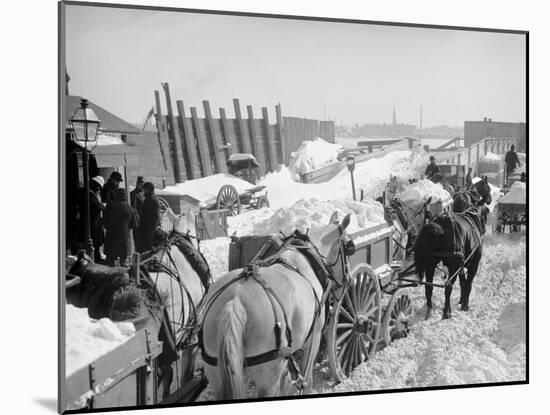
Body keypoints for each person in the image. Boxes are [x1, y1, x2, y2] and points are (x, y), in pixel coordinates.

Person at [103, 188, 136, 266]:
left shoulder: (111, 207)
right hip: (124, 238)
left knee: (110, 262)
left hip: (112, 237)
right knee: (124, 262)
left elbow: (105, 222)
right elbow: (133, 225)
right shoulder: (130, 209)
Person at [137, 182, 161, 252]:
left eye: (144, 189)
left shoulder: (151, 200)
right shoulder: (151, 199)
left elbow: (154, 219)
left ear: (149, 190)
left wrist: (148, 234)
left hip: (148, 234)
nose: (143, 191)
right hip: (148, 232)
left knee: (146, 253)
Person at [89, 176, 106, 263]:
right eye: (99, 186)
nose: (99, 189)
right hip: (93, 223)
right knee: (95, 241)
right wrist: (104, 206)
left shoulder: (92, 194)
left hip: (95, 222)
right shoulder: (90, 194)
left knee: (97, 242)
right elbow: (98, 206)